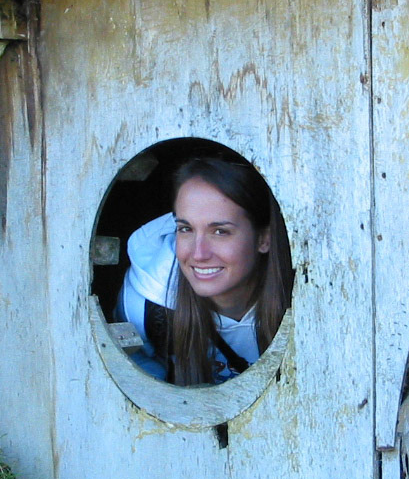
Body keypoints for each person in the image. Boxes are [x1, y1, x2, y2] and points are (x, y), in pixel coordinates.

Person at [118, 157, 292, 386]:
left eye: (220, 231)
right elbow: (136, 367)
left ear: (263, 239)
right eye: (185, 229)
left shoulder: (302, 296)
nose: (198, 254)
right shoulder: (147, 305)